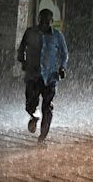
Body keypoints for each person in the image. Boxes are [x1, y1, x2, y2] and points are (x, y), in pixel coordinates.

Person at [17, 9, 68, 144]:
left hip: (50, 77)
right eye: (42, 21)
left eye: (48, 21)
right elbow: (21, 48)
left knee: (47, 106)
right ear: (38, 19)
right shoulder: (30, 33)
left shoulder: (57, 36)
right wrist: (22, 61)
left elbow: (64, 54)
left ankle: (42, 137)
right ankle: (34, 117)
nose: (45, 24)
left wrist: (62, 67)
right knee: (30, 104)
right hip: (33, 76)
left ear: (52, 22)